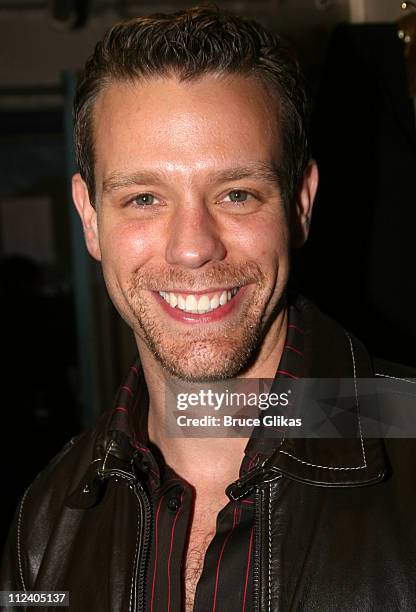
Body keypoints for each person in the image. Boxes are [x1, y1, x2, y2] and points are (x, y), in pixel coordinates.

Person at [1, 6, 416, 611]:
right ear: (90, 219)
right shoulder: (46, 522)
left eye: (237, 193)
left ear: (301, 204)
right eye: (144, 197)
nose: (193, 247)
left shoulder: (407, 436)